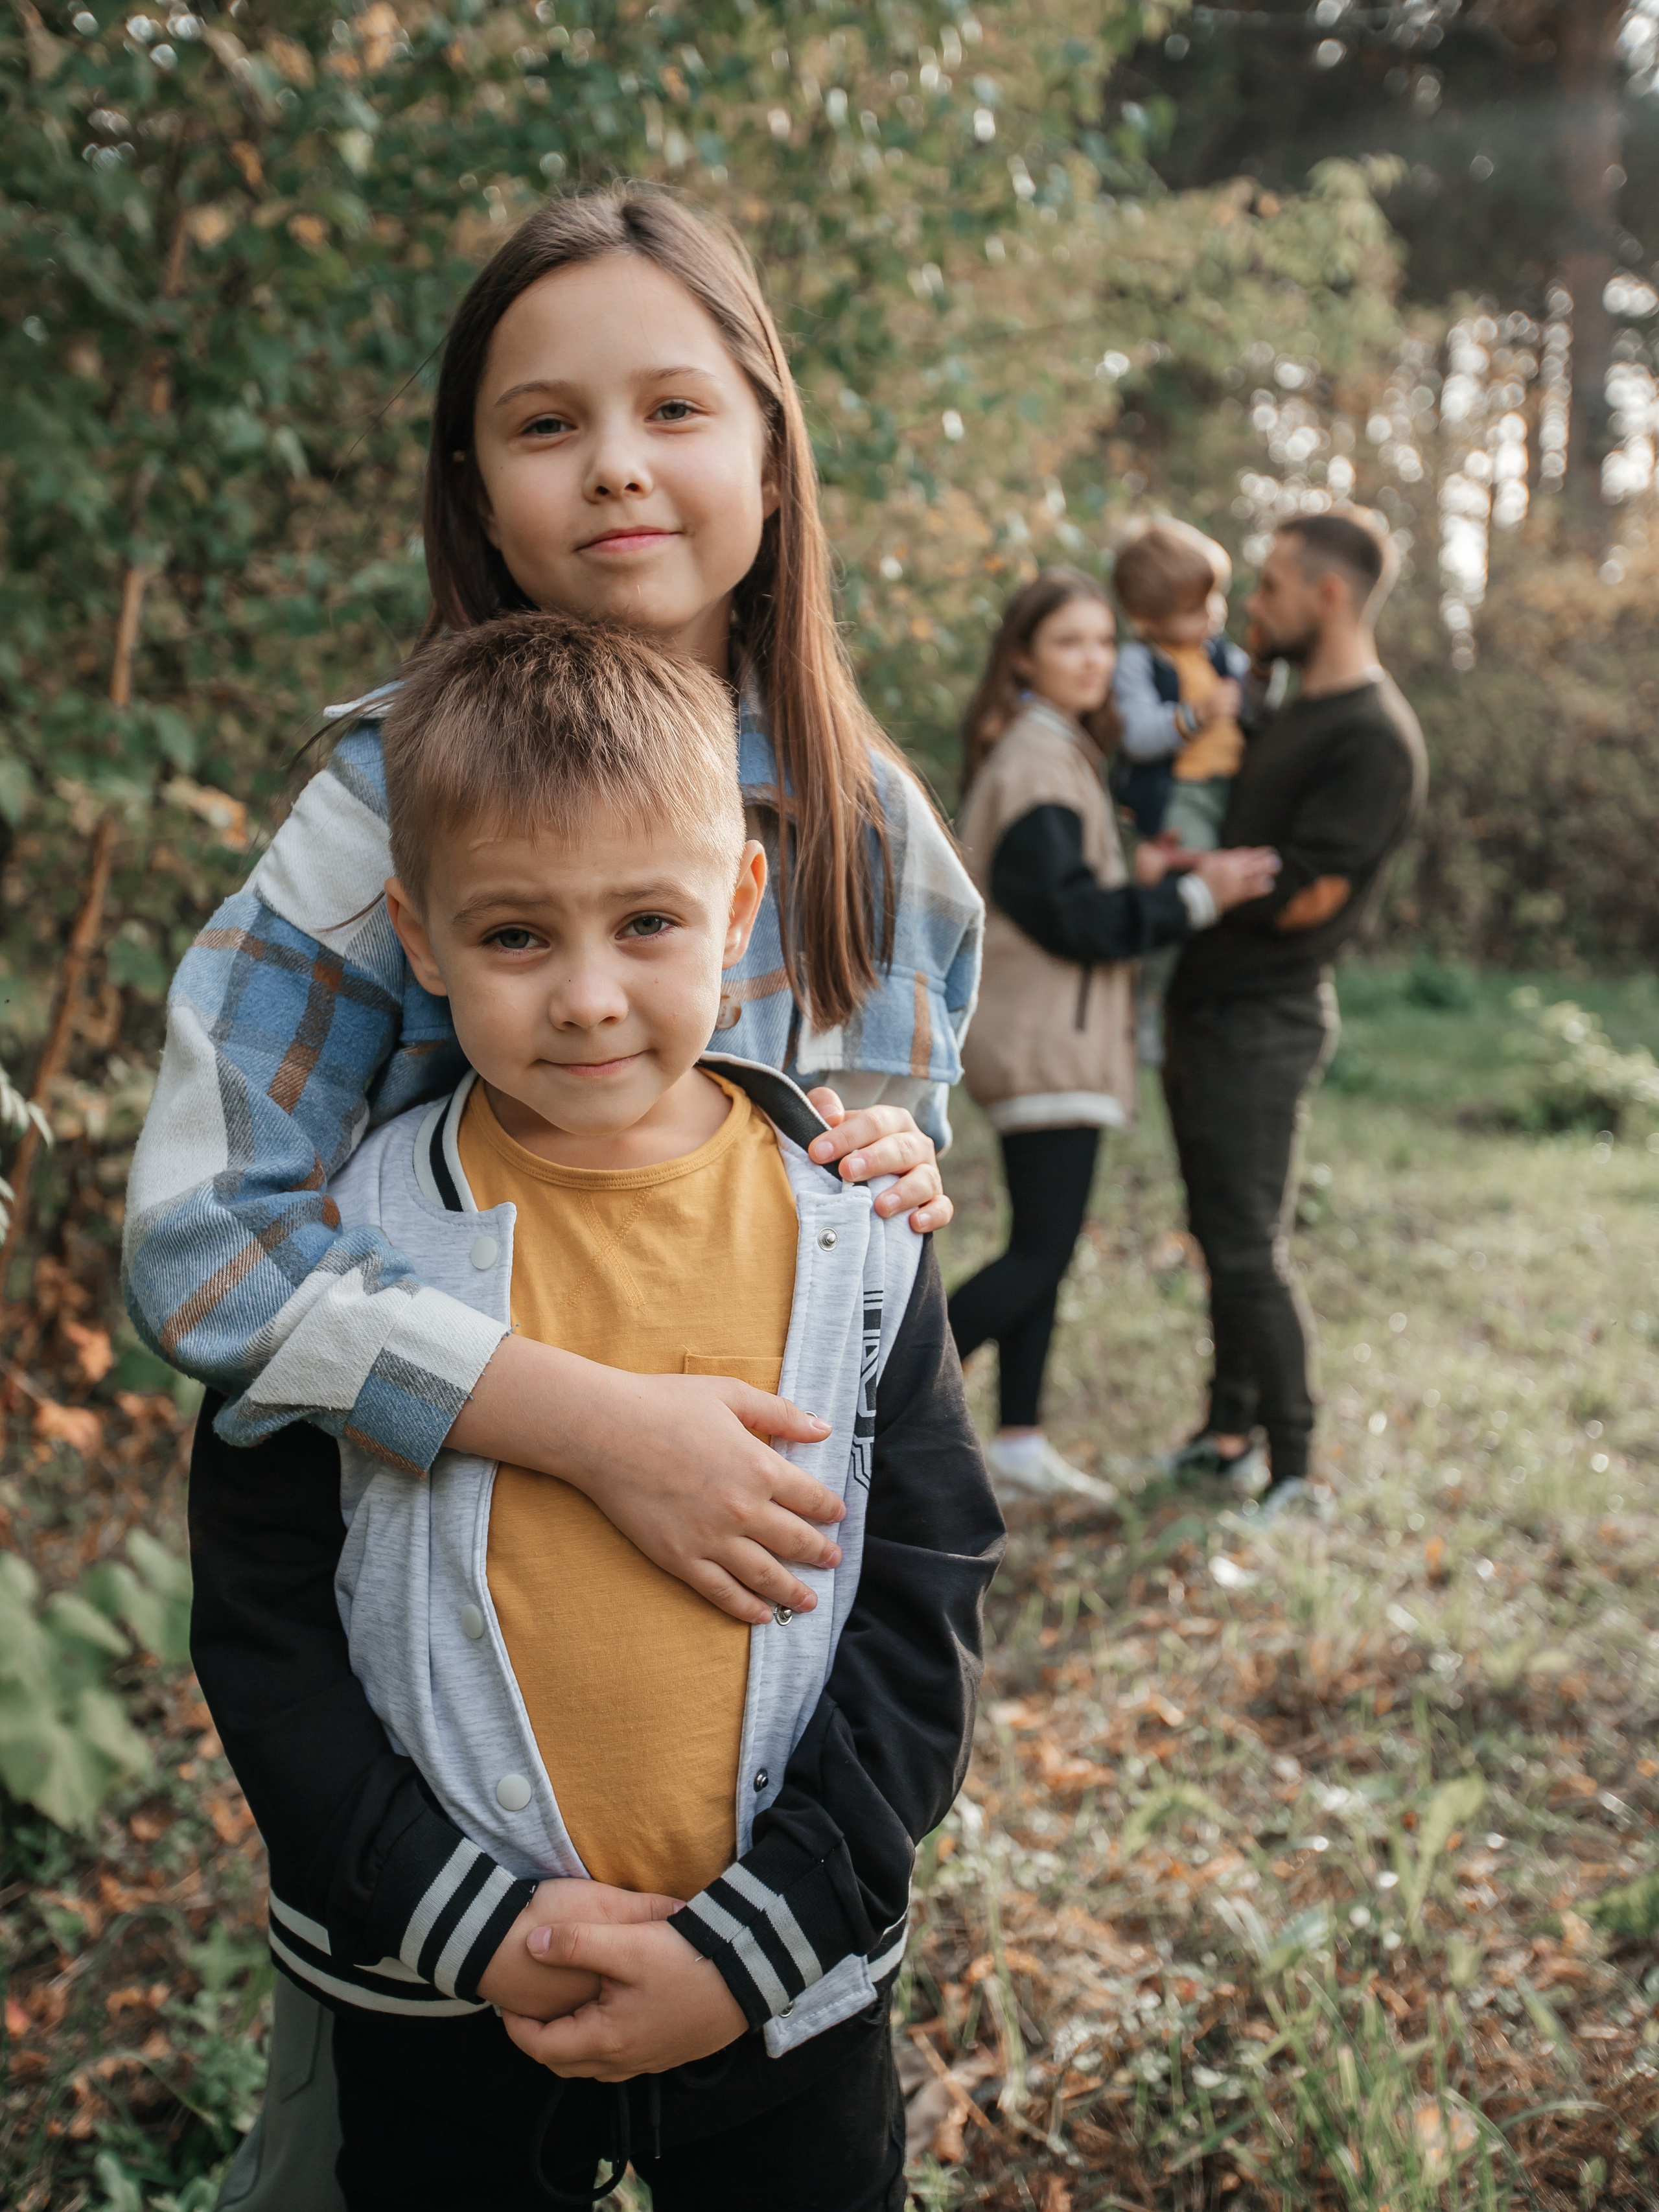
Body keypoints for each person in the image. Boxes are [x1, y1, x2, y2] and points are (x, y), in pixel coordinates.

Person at [121, 188, 981, 2209]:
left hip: (748, 1734)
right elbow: (203, 1238)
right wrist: (594, 1424)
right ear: (476, 488)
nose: (614, 461)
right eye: (544, 423)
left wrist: (903, 1169)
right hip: (435, 1705)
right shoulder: (371, 816)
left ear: (770, 450)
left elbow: (881, 1284)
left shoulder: (870, 831)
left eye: (675, 405)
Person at [947, 570, 1279, 1502]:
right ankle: (880, 1402)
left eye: (1103, 642)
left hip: (1058, 1032)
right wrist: (1195, 897)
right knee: (1040, 1251)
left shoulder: (1058, 755)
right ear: (1023, 658)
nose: (1095, 660)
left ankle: (1016, 1441)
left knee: (1039, 1244)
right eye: (1069, 643)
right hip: (1047, 1036)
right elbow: (1072, 919)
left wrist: (1149, 870)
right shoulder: (1035, 761)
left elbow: (1068, 888)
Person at [1162, 511, 1427, 1519]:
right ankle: (1228, 1432)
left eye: (1270, 585)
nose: (1253, 606)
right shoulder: (1281, 708)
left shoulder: (1373, 734)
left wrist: (1196, 879)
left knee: (1246, 1245)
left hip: (1265, 1021)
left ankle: (1297, 1467)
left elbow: (1312, 892)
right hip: (1206, 1007)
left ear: (1328, 595)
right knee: (1214, 1231)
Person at [1110, 519, 1277, 1067]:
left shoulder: (1218, 653)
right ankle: (1147, 1000)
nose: (1212, 615)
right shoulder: (1140, 663)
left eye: (1214, 599)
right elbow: (1137, 735)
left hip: (1228, 788)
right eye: (1194, 607)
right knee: (1196, 893)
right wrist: (1193, 716)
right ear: (1148, 618)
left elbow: (1254, 705)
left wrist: (1262, 669)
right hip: (1180, 798)